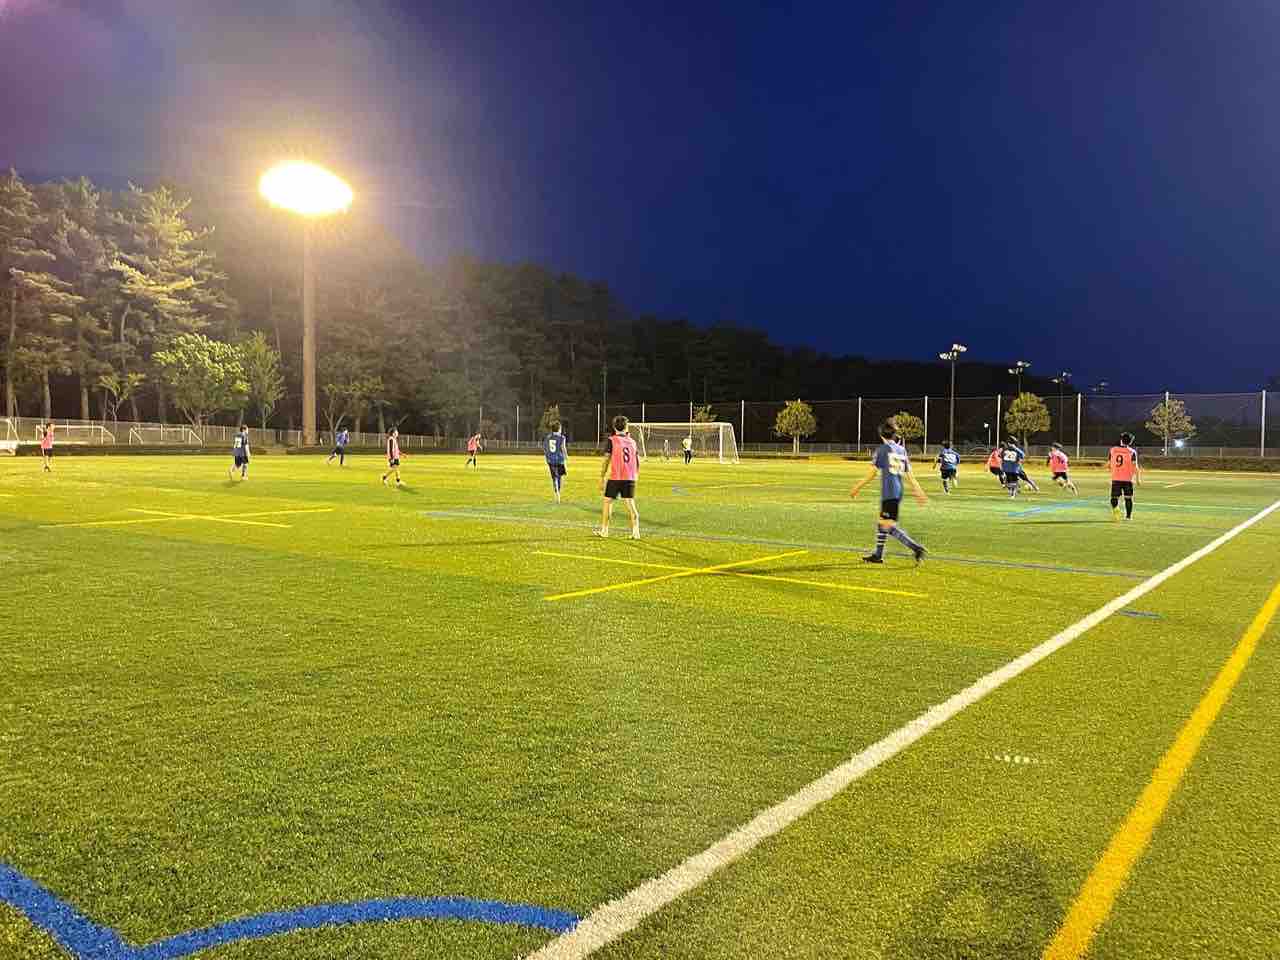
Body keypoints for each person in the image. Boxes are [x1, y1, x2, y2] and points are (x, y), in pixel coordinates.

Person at [850, 419, 928, 564]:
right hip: (897, 492)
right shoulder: (901, 450)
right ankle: (878, 555)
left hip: (889, 493)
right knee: (883, 524)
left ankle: (916, 548)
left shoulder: (882, 450)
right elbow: (909, 475)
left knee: (888, 526)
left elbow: (872, 474)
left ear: (881, 435)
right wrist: (918, 491)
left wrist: (857, 487)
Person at [596, 415, 640, 539]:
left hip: (616, 477)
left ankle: (605, 531)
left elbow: (606, 459)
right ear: (626, 427)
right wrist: (635, 474)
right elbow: (637, 461)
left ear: (614, 427)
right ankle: (636, 532)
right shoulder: (632, 442)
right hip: (630, 477)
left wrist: (602, 476)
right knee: (630, 504)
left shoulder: (612, 440)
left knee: (607, 502)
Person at [1109, 432, 1141, 520]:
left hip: (1116, 478)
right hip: (1128, 479)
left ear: (1121, 440)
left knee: (1114, 498)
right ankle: (1128, 517)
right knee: (1128, 498)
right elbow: (1135, 466)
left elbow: (1109, 463)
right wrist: (1138, 478)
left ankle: (1116, 509)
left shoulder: (1113, 450)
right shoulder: (1132, 452)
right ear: (1130, 442)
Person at [543, 421, 568, 503]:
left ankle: (556, 493)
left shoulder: (548, 437)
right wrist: (566, 456)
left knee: (554, 478)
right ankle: (559, 492)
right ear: (559, 429)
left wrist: (547, 457)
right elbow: (563, 448)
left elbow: (545, 448)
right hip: (560, 460)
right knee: (560, 477)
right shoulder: (562, 437)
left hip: (551, 460)